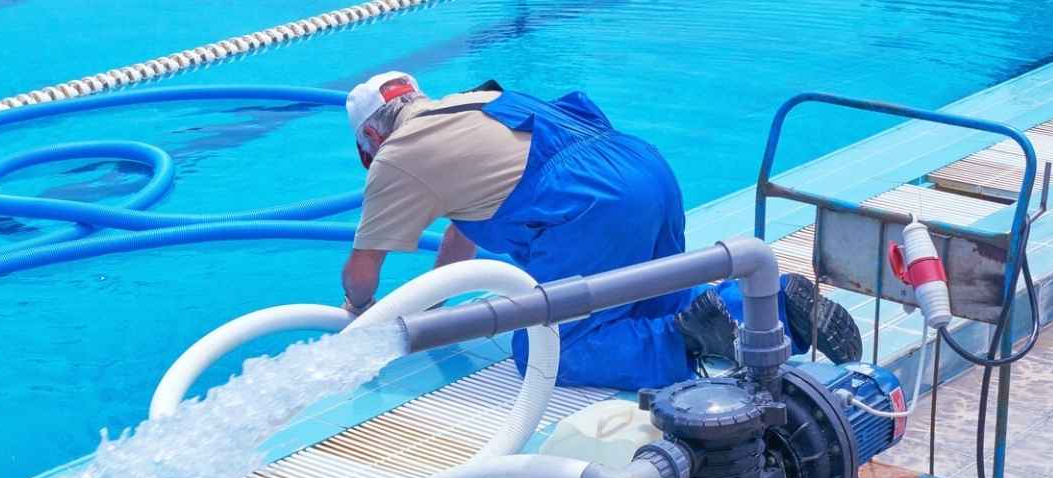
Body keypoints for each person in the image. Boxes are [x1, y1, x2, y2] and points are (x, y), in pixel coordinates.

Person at [340, 71, 861, 390]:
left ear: (371, 134)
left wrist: (363, 318)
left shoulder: (399, 156)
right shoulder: (474, 103)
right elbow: (461, 235)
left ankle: (686, 341)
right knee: (653, 300)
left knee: (549, 350)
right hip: (642, 168)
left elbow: (362, 274)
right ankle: (767, 304)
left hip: (587, 205)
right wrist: (431, 307)